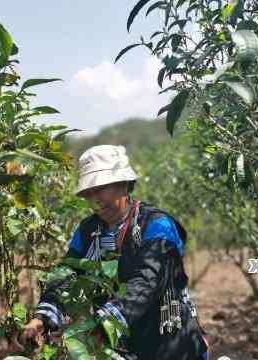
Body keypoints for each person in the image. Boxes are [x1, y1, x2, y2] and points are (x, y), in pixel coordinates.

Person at [21, 145, 210, 360]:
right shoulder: (88, 231)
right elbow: (67, 272)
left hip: (170, 342)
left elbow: (148, 281)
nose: (95, 199)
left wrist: (104, 323)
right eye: (89, 192)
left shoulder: (157, 225)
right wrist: (42, 317)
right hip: (123, 346)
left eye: (100, 188)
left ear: (123, 185)